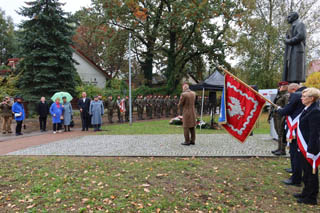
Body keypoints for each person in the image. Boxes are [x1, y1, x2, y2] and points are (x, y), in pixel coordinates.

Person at [294, 88, 320, 205]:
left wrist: (311, 150)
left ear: (312, 98)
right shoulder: (307, 109)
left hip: (310, 147)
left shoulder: (315, 111)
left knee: (311, 173)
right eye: (302, 96)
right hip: (304, 145)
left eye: (304, 97)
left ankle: (311, 197)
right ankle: (305, 192)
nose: (302, 98)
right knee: (306, 171)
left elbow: (314, 133)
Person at [277, 83, 306, 186]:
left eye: (290, 92)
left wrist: (279, 109)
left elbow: (287, 110)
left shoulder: (296, 95)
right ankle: (298, 173)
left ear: (293, 89)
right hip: (303, 129)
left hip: (296, 130)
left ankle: (296, 178)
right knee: (299, 154)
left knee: (295, 154)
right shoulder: (306, 92)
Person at [282, 12, 306, 83]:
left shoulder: (300, 24)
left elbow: (301, 36)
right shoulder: (291, 27)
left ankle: (295, 87)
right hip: (291, 51)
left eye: (289, 17)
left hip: (297, 51)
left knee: (295, 74)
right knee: (290, 72)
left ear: (294, 17)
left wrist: (288, 41)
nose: (287, 18)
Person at [270, 82, 290, 156]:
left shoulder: (286, 95)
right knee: (278, 132)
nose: (279, 88)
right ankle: (279, 148)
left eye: (280, 86)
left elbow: (286, 107)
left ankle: (282, 150)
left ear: (285, 87)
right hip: (276, 116)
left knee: (281, 133)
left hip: (281, 116)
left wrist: (283, 117)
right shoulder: (279, 95)